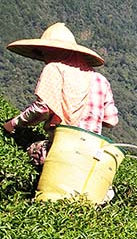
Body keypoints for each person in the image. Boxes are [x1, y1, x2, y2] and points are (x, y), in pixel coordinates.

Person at [2, 23, 119, 166]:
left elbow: (42, 109)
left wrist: (14, 124)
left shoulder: (54, 69)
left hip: (62, 148)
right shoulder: (101, 80)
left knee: (33, 151)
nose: (44, 56)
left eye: (44, 51)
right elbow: (111, 121)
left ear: (55, 50)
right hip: (90, 153)